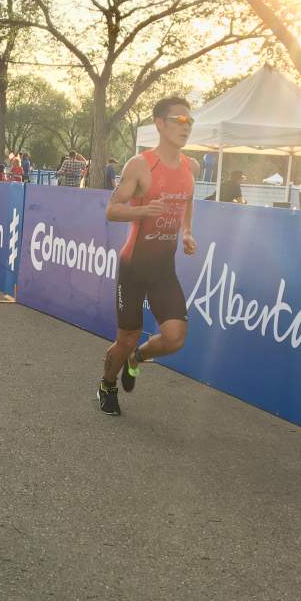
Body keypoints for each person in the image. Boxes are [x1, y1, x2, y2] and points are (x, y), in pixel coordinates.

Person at [97, 96, 198, 416]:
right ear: (160, 124)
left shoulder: (191, 167)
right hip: (134, 266)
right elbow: (112, 210)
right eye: (180, 120)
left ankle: (137, 358)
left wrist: (186, 232)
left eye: (190, 121)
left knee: (175, 338)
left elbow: (187, 200)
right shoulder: (140, 165)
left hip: (163, 269)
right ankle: (107, 384)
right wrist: (143, 210)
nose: (186, 127)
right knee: (126, 337)